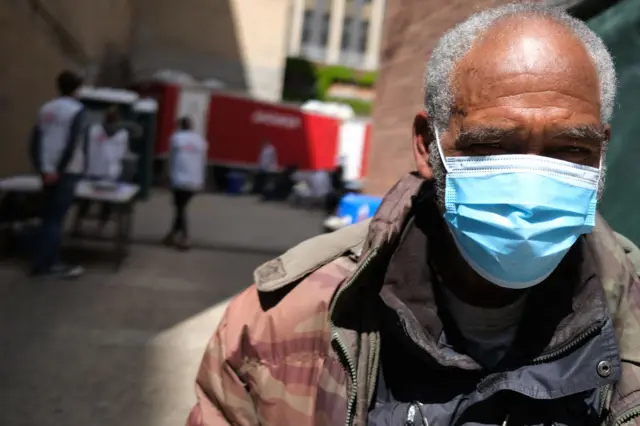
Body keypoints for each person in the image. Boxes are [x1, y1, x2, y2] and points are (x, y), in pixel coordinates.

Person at [186, 4, 640, 426]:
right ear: (427, 145)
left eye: (570, 149)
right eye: (491, 145)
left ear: (601, 149)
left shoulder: (633, 311)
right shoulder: (282, 326)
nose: (531, 183)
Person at [29, 70, 86, 278]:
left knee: (47, 217)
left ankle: (40, 260)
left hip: (46, 169)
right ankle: (50, 263)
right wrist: (59, 170)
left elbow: (35, 140)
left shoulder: (46, 108)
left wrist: (43, 168)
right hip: (65, 171)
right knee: (56, 219)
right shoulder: (76, 110)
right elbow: (71, 144)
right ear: (76, 88)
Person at [72, 106, 129, 236]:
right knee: (85, 202)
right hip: (94, 171)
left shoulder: (122, 134)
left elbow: (122, 153)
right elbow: (84, 149)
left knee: (106, 203)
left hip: (110, 173)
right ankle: (78, 224)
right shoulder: (94, 130)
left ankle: (99, 227)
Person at [163, 117, 207, 250]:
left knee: (180, 208)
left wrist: (166, 175)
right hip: (195, 180)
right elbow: (202, 160)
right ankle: (171, 235)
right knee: (180, 207)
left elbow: (170, 158)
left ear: (180, 126)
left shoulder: (176, 138)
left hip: (179, 179)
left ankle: (185, 237)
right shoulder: (200, 140)